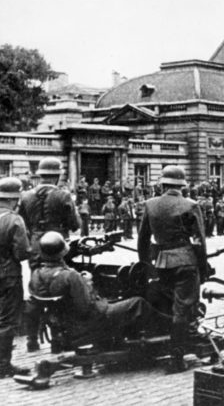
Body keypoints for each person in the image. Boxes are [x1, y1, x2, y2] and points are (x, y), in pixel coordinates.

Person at [30, 232, 168, 348]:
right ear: (62, 252)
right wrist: (87, 283)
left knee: (120, 301)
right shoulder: (70, 276)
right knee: (137, 303)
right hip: (87, 324)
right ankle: (172, 328)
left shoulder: (36, 274)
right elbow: (85, 308)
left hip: (67, 324)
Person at [137, 165, 208, 372]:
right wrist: (202, 268)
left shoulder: (150, 205)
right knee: (182, 310)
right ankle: (177, 360)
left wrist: (146, 266)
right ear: (182, 186)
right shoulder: (190, 205)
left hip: (161, 263)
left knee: (167, 306)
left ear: (163, 184)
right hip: (185, 262)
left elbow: (142, 240)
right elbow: (200, 241)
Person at [18, 157, 81, 351]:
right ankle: (57, 340)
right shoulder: (63, 196)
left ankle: (31, 340)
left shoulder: (26, 196)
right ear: (57, 176)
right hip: (57, 244)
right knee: (59, 289)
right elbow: (75, 224)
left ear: (41, 175)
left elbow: (23, 222)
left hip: (36, 245)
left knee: (36, 289)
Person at [0, 177, 32, 378]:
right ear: (15, 198)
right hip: (8, 275)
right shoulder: (14, 219)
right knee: (7, 320)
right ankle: (3, 364)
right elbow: (22, 253)